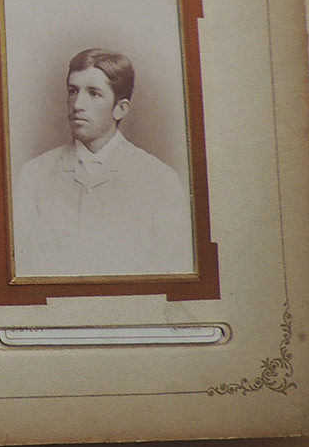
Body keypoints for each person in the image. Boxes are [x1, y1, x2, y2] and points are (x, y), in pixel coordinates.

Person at [11, 47, 194, 278]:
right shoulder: (34, 176)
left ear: (120, 108)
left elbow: (173, 270)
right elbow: (23, 268)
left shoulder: (160, 180)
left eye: (93, 93)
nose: (77, 104)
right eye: (73, 91)